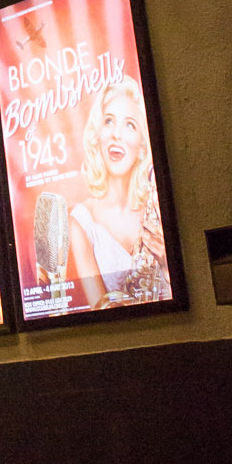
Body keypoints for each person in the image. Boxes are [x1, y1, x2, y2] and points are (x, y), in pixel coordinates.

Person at [69, 79, 167, 307]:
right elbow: (100, 310)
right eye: (109, 121)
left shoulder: (156, 205)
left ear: (142, 144)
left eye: (130, 125)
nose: (116, 135)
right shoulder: (82, 221)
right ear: (97, 134)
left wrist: (166, 262)